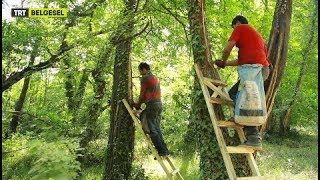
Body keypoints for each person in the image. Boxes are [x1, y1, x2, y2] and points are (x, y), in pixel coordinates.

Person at [214, 15, 271, 149]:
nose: (233, 30)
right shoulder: (255, 37)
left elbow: (227, 48)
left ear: (237, 23)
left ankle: (254, 137)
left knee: (248, 102)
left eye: (233, 27)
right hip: (259, 69)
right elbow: (241, 61)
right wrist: (226, 64)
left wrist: (222, 61)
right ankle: (239, 116)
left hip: (255, 70)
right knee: (235, 94)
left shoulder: (241, 28)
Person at [133, 62, 170, 156]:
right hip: (158, 105)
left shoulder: (145, 78)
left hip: (152, 105)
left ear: (144, 69)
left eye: (140, 70)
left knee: (152, 129)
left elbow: (142, 94)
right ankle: (164, 150)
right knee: (156, 128)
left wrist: (137, 104)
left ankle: (161, 151)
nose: (140, 73)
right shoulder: (155, 78)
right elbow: (149, 94)